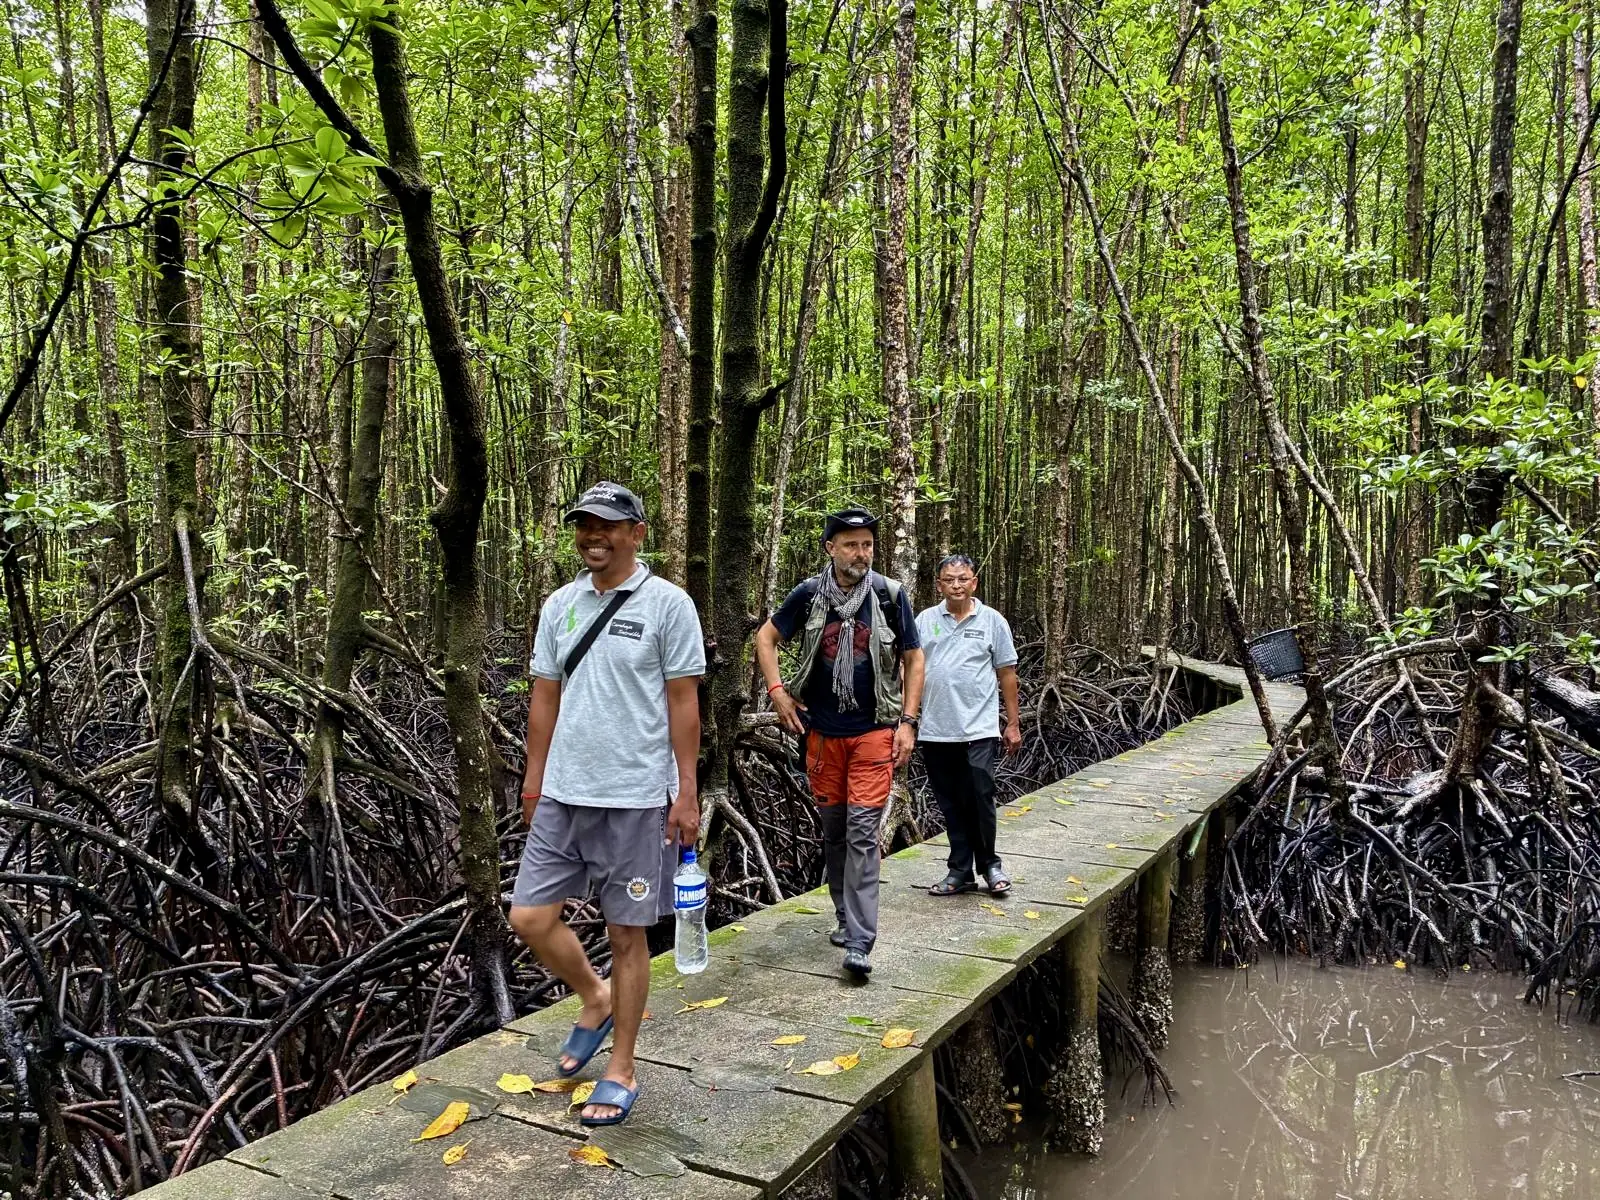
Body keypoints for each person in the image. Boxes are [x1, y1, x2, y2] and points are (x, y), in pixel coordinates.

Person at [508, 481, 704, 1128]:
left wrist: (686, 793)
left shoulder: (668, 606)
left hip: (636, 797)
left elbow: (683, 704)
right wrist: (534, 781)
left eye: (608, 526)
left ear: (637, 533)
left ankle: (621, 1068)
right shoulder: (559, 606)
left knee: (627, 934)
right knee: (529, 918)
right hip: (564, 790)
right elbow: (544, 697)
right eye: (584, 525)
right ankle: (593, 997)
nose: (595, 536)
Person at [754, 507, 924, 979]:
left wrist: (908, 721)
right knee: (835, 833)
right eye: (851, 544)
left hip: (873, 732)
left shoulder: (889, 596)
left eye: (867, 544)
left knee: (864, 834)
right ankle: (845, 918)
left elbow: (913, 657)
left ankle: (860, 940)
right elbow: (765, 640)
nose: (861, 553)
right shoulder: (809, 596)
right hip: (822, 735)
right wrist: (778, 693)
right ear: (831, 548)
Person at [915, 554, 1021, 897]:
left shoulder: (992, 621)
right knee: (949, 802)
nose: (956, 585)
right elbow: (910, 670)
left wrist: (1013, 724)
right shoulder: (925, 621)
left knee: (980, 797)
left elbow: (1007, 674)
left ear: (974, 582)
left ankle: (990, 864)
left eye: (963, 579)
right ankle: (960, 870)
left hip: (979, 729)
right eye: (949, 580)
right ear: (939, 584)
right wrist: (905, 718)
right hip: (935, 729)